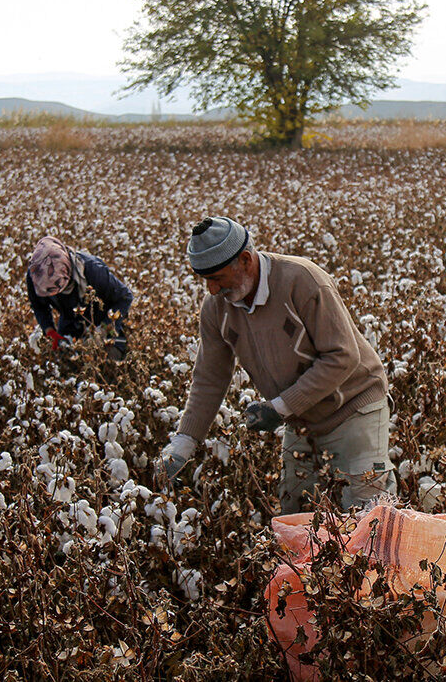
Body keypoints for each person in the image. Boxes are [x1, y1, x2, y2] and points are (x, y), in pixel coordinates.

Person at [160, 217, 393, 514]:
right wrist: (184, 442)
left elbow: (343, 356)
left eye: (217, 278)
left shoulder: (303, 280)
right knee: (296, 512)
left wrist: (279, 408)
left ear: (245, 260)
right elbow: (210, 377)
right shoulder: (216, 309)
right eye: (205, 280)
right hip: (301, 419)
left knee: (368, 515)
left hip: (355, 409)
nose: (212, 289)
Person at [26, 235, 133, 360]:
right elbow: (38, 305)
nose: (52, 296)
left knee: (111, 360)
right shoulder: (36, 275)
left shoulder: (93, 271)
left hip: (105, 322)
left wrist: (103, 329)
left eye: (56, 290)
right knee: (62, 362)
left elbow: (125, 297)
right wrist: (50, 332)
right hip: (70, 325)